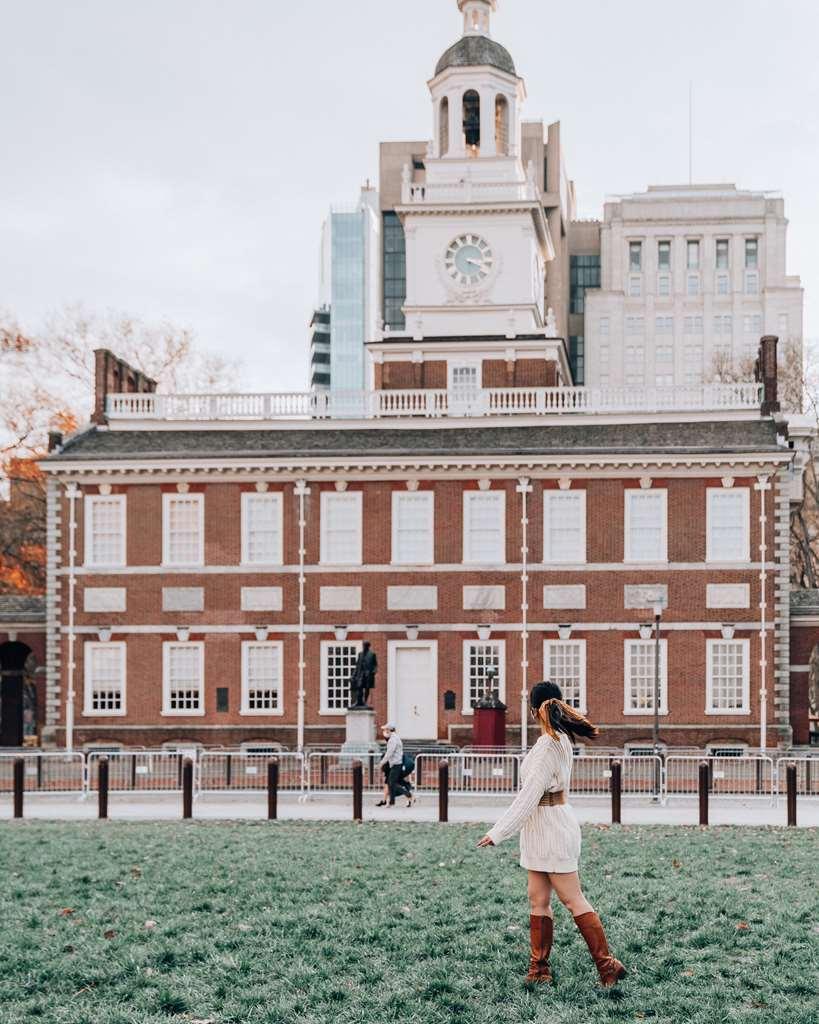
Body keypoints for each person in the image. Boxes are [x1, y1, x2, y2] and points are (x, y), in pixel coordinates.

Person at [477, 681, 626, 989]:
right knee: (538, 899)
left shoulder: (548, 745)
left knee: (572, 899)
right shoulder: (557, 739)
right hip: (542, 829)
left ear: (534, 711)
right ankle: (539, 968)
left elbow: (528, 795)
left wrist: (498, 832)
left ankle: (606, 964)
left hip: (551, 829)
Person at [377, 723, 413, 807]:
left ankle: (408, 794)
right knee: (391, 783)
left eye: (385, 730)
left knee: (392, 783)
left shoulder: (392, 740)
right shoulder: (395, 738)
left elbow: (389, 753)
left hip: (396, 764)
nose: (384, 732)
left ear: (389, 730)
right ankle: (391, 802)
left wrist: (381, 763)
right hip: (396, 763)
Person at [349, 641, 377, 708]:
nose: (364, 647)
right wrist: (353, 675)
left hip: (368, 674)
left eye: (365, 646)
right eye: (363, 645)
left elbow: (375, 665)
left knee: (367, 688)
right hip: (361, 674)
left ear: (368, 646)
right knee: (359, 687)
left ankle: (365, 702)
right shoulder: (360, 654)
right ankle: (358, 702)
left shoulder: (372, 654)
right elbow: (357, 665)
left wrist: (374, 671)